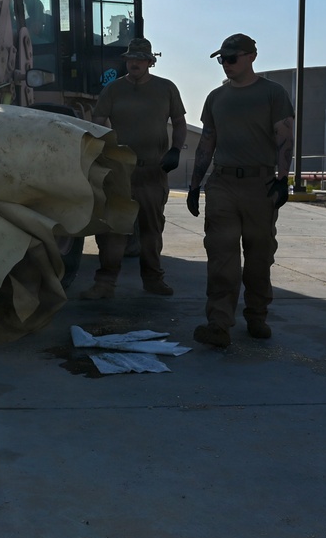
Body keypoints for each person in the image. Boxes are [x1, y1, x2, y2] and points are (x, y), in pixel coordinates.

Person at [187, 33, 294, 348]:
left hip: (259, 186)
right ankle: (218, 324)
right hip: (222, 185)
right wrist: (195, 185)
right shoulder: (216, 98)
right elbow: (207, 142)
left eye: (231, 58)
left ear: (251, 57)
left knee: (259, 255)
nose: (226, 65)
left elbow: (284, 138)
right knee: (221, 254)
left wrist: (282, 179)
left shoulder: (273, 94)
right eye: (222, 59)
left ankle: (257, 315)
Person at [80, 38, 187, 300]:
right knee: (113, 229)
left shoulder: (166, 88)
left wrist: (175, 150)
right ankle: (105, 283)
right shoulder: (113, 90)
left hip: (152, 171)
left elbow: (180, 122)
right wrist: (98, 155)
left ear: (151, 62)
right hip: (119, 172)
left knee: (151, 229)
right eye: (130, 59)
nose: (134, 63)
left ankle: (153, 279)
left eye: (140, 59)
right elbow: (97, 126)